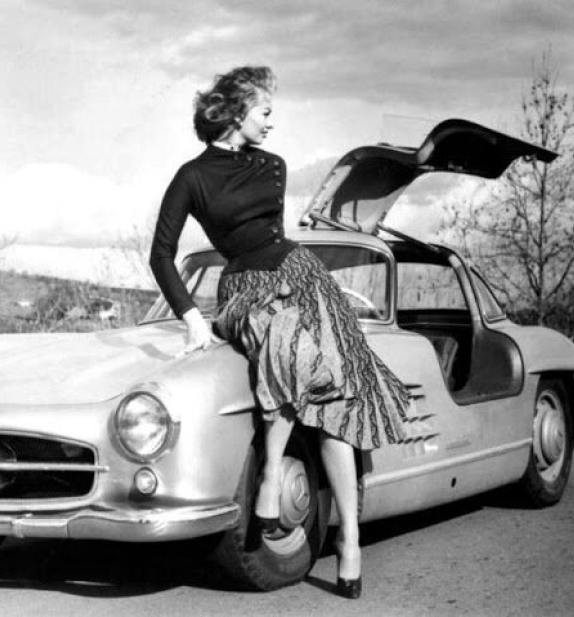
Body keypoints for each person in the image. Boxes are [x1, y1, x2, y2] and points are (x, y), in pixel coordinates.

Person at [149, 66, 414, 600]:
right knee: (291, 345)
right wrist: (192, 317)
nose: (272, 122)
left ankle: (350, 541)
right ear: (235, 110)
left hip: (304, 274)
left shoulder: (274, 165)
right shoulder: (191, 177)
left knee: (337, 397)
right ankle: (271, 474)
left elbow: (275, 238)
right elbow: (160, 255)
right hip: (245, 285)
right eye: (265, 111)